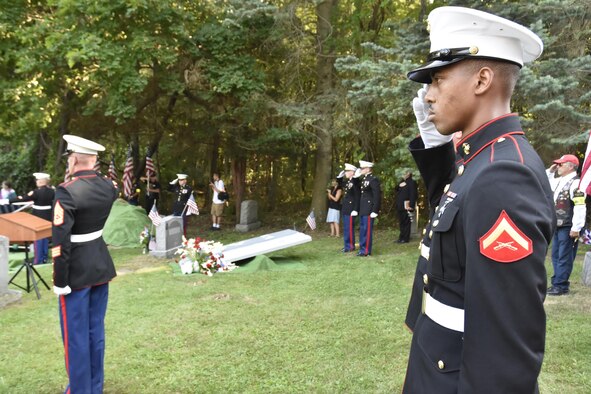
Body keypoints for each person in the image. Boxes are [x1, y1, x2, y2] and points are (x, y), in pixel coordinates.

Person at [402, 7, 555, 393]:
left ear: (483, 79)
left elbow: (504, 352)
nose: (428, 95)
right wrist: (438, 148)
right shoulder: (479, 161)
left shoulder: (504, 175)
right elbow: (452, 213)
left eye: (437, 79)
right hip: (436, 363)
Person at [52, 134, 118, 394]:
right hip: (100, 265)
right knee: (95, 332)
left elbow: (60, 242)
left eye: (69, 157)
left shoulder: (66, 192)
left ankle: (80, 390)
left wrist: (60, 281)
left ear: (75, 159)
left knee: (75, 337)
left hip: (76, 272)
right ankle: (95, 386)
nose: (68, 161)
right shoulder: (109, 187)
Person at [546, 154, 586, 296]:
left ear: (570, 166)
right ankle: (557, 283)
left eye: (561, 164)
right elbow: (545, 183)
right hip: (559, 225)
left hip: (569, 226)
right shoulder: (561, 181)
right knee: (556, 255)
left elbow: (580, 206)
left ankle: (561, 286)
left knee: (564, 256)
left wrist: (576, 228)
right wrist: (551, 171)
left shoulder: (576, 183)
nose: (558, 166)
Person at [9, 173, 55, 264]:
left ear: (41, 181)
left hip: (38, 217)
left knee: (38, 238)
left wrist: (10, 200)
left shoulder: (36, 192)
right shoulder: (52, 191)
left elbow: (24, 198)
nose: (36, 182)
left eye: (37, 180)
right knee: (45, 236)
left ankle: (38, 259)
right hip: (48, 216)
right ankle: (44, 257)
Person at [357, 160, 381, 256]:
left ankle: (366, 250)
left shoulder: (373, 179)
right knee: (363, 230)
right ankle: (362, 249)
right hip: (363, 208)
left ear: (367, 169)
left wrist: (375, 210)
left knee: (367, 230)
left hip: (369, 209)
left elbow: (377, 196)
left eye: (362, 168)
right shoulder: (364, 179)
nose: (361, 170)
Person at [341, 163, 360, 252]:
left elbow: (357, 196)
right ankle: (347, 245)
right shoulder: (349, 181)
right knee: (346, 228)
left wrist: (355, 209)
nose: (345, 172)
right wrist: (339, 178)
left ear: (352, 172)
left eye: (347, 171)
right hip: (346, 207)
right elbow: (341, 185)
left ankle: (350, 246)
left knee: (349, 228)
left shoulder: (355, 182)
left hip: (351, 208)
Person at [394, 170, 418, 243]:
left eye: (404, 173)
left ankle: (405, 238)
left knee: (406, 222)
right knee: (401, 222)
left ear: (408, 174)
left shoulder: (412, 182)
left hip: (407, 205)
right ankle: (401, 237)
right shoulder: (402, 182)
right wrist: (399, 185)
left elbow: (413, 195)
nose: (403, 175)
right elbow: (396, 189)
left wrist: (411, 205)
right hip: (400, 205)